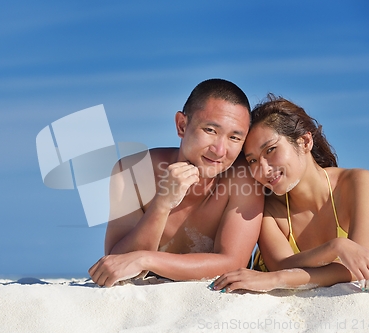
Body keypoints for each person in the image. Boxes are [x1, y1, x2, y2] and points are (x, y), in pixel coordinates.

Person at [89, 79, 264, 287]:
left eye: (234, 138)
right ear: (182, 125)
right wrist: (162, 204)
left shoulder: (244, 178)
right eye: (210, 130)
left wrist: (145, 259)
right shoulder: (132, 173)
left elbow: (233, 263)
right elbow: (116, 264)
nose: (220, 150)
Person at [211, 94, 369, 294]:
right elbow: (281, 265)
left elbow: (362, 266)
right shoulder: (267, 206)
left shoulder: (357, 182)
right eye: (252, 160)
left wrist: (277, 279)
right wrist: (337, 248)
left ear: (305, 141)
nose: (263, 169)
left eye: (270, 150)